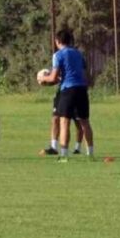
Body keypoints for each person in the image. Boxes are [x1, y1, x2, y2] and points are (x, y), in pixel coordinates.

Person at [38, 28, 96, 162]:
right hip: (82, 89)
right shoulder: (79, 54)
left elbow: (53, 78)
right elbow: (84, 74)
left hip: (68, 90)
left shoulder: (58, 55)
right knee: (85, 122)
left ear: (57, 41)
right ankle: (90, 154)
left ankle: (64, 155)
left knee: (64, 121)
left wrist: (43, 79)